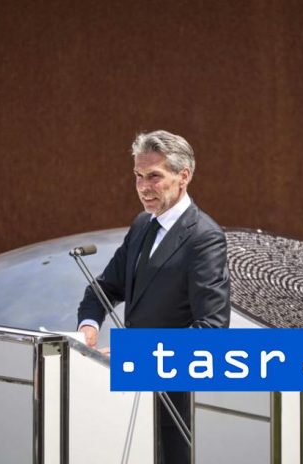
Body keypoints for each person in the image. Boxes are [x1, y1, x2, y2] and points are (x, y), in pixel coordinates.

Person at [77, 130, 231, 464]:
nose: (143, 187)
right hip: (132, 396)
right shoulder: (142, 225)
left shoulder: (204, 238)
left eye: (154, 177)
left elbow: (212, 330)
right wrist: (87, 327)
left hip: (176, 402)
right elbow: (105, 288)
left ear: (183, 176)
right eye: (138, 176)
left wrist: (137, 353)